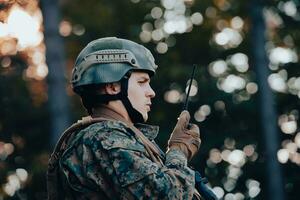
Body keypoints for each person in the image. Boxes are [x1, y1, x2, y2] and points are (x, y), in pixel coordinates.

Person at [47, 37, 204, 200]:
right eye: (142, 82)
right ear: (113, 86)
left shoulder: (113, 137)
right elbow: (167, 195)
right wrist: (178, 151)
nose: (151, 92)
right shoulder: (103, 138)